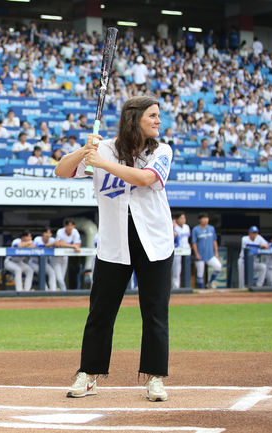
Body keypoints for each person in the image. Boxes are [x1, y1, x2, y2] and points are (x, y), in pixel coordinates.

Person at [55, 95, 174, 402]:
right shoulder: (103, 147)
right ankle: (89, 374)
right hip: (113, 242)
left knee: (155, 313)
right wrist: (85, 150)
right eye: (152, 116)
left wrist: (101, 162)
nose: (158, 121)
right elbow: (61, 170)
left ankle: (155, 378)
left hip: (154, 242)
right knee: (101, 312)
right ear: (134, 119)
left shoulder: (161, 149)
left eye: (158, 115)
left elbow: (146, 179)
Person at [191, 212, 222, 289]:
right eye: (203, 218)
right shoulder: (196, 229)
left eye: (207, 218)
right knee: (200, 274)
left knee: (218, 266)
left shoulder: (211, 228)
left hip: (210, 255)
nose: (206, 220)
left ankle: (210, 282)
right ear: (200, 220)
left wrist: (216, 252)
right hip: (200, 255)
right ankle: (201, 291)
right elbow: (194, 243)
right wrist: (196, 254)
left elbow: (214, 241)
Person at [52, 218, 81, 291]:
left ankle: (59, 291)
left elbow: (78, 244)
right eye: (68, 225)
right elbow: (61, 244)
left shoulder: (75, 231)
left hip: (65, 256)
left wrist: (73, 245)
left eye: (72, 225)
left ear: (74, 226)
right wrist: (73, 246)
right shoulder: (60, 231)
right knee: (59, 277)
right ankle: (64, 292)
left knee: (62, 276)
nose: (70, 227)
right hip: (56, 257)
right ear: (65, 226)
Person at [31, 227, 57, 291]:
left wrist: (57, 243)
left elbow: (58, 243)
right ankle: (45, 290)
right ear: (43, 234)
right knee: (41, 273)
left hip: (44, 263)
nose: (48, 235)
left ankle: (53, 290)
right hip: (34, 262)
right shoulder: (37, 239)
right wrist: (52, 244)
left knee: (52, 272)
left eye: (50, 233)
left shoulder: (52, 240)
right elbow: (40, 246)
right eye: (47, 233)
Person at [171, 212, 190, 289]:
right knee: (175, 270)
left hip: (186, 250)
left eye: (184, 218)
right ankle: (175, 287)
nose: (183, 220)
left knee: (182, 270)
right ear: (177, 219)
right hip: (176, 250)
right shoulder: (173, 227)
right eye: (181, 218)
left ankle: (178, 287)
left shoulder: (187, 227)